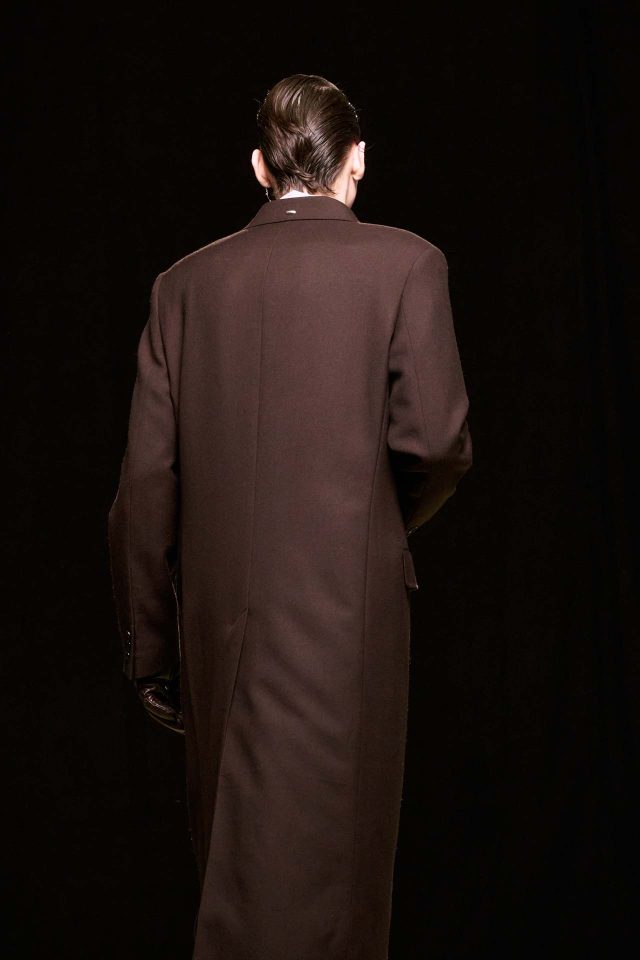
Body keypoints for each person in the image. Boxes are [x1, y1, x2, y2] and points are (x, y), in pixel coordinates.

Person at [107, 73, 472, 960]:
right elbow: (437, 444)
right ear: (357, 161)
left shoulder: (183, 288)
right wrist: (371, 527)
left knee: (236, 892)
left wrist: (153, 658)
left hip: (220, 643)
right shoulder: (407, 265)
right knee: (341, 903)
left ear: (261, 168)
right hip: (352, 633)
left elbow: (144, 491)